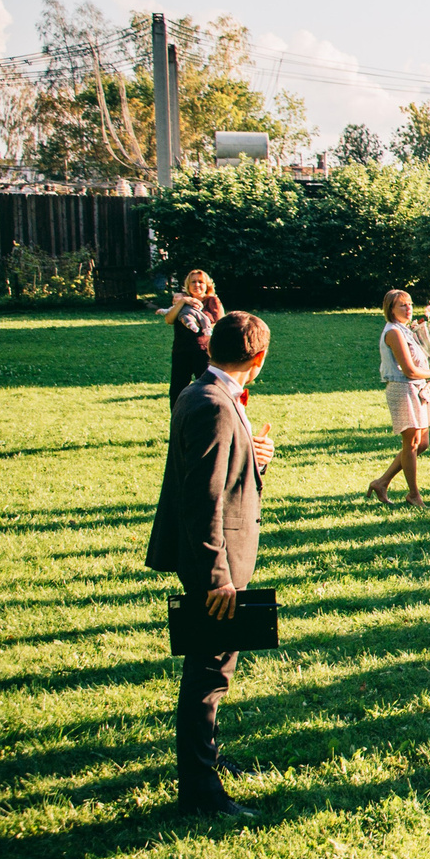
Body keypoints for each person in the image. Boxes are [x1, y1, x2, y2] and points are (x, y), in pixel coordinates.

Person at [146, 310, 274, 818]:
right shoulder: (214, 405)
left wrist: (255, 456)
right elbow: (203, 498)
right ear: (259, 358)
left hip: (220, 554)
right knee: (208, 677)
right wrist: (217, 578)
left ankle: (208, 761)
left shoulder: (205, 392)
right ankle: (200, 790)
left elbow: (222, 471)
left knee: (214, 671)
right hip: (216, 561)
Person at [369, 288, 430, 506]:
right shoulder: (393, 332)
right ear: (391, 309)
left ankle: (382, 482)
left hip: (418, 389)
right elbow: (409, 370)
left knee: (422, 443)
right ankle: (413, 494)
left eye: (410, 304)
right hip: (403, 390)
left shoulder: (407, 330)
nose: (408, 308)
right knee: (411, 443)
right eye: (402, 305)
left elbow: (418, 362)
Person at [161, 268, 219, 401]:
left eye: (200, 282)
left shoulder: (212, 301)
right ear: (188, 285)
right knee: (177, 389)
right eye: (193, 282)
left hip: (204, 350)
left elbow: (219, 322)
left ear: (207, 285)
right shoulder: (181, 300)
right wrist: (183, 302)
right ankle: (177, 418)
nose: (197, 285)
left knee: (207, 388)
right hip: (181, 350)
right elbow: (169, 320)